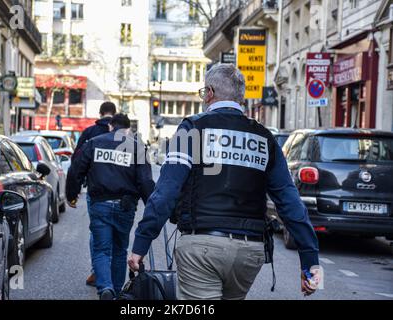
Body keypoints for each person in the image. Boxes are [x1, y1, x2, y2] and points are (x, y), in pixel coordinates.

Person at [128, 64, 321, 300]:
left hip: (201, 248)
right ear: (240, 96)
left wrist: (141, 243)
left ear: (209, 93)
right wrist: (310, 263)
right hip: (249, 252)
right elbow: (289, 202)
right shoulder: (264, 137)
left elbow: (167, 190)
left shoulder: (193, 128)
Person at [66, 114, 155, 300]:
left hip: (100, 203)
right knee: (120, 250)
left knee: (101, 250)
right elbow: (146, 181)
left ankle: (105, 288)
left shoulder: (94, 142)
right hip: (125, 206)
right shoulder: (137, 147)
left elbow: (76, 168)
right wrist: (152, 206)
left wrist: (71, 195)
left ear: (110, 126)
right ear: (128, 129)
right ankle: (116, 292)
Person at [72, 101, 117, 287]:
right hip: (121, 193)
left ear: (100, 113)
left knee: (97, 231)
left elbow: (76, 162)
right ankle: (113, 273)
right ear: (114, 114)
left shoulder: (89, 133)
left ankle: (97, 271)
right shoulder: (124, 135)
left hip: (95, 191)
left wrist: (73, 193)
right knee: (117, 232)